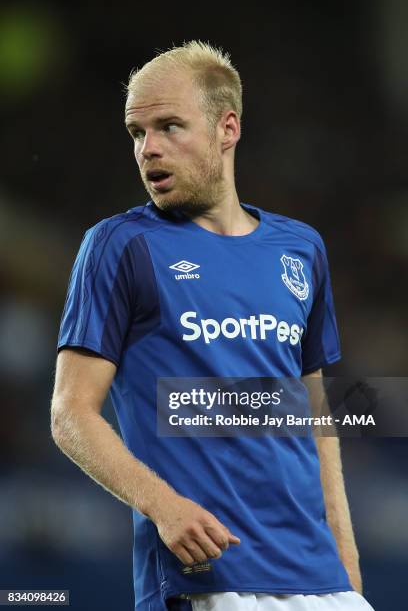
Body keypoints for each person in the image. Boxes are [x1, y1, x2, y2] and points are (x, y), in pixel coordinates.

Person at [51, 41, 375, 611]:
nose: (148, 149)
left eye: (169, 126)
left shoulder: (301, 248)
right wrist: (163, 506)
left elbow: (315, 416)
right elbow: (70, 414)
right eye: (136, 132)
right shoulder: (120, 246)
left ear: (228, 129)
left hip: (321, 582)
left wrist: (345, 560)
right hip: (210, 578)